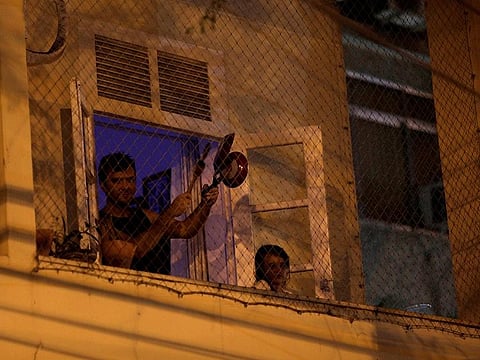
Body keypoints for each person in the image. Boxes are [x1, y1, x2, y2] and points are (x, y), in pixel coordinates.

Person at [97, 152, 219, 274]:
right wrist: (170, 212)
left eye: (130, 180)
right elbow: (135, 250)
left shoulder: (145, 215)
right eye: (117, 181)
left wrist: (205, 204)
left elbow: (185, 229)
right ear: (103, 185)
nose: (125, 186)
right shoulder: (102, 224)